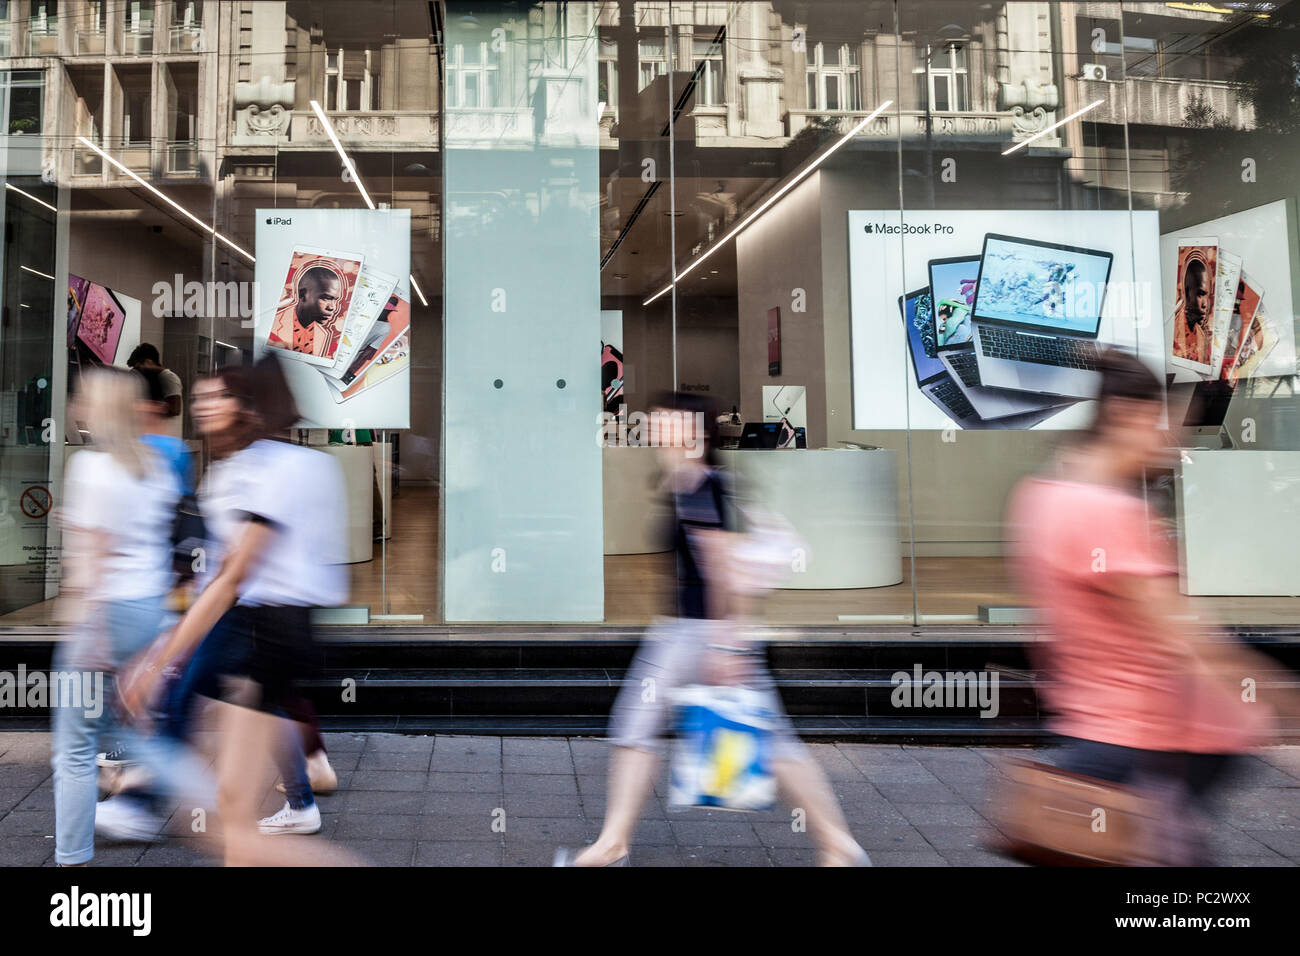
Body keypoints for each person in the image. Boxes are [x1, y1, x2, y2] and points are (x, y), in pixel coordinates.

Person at [556, 392, 870, 867]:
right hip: (690, 632)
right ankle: (838, 845)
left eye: (667, 423)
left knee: (642, 728)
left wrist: (729, 646)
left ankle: (613, 845)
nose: (657, 428)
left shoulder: (699, 485)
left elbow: (722, 567)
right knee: (761, 739)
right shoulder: (687, 481)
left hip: (700, 634)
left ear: (694, 433)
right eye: (658, 422)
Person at [1006, 348, 1275, 864]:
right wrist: (1269, 697)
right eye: (1163, 424)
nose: (1173, 443)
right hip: (1149, 742)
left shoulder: (1039, 495)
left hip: (1096, 729)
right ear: (1125, 416)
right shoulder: (1107, 511)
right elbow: (1181, 635)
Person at [118, 355, 351, 864]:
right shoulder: (282, 466)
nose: (202, 408)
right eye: (200, 397)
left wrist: (159, 661)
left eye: (217, 397)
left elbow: (230, 580)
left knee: (231, 822)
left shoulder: (269, 469)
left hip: (265, 635)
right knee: (230, 814)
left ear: (248, 406)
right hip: (272, 633)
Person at [50, 368, 182, 865]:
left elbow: (92, 564)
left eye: (83, 398)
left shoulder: (90, 468)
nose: (77, 406)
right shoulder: (156, 466)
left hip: (100, 620)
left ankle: (71, 859)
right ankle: (204, 785)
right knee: (134, 729)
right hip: (148, 615)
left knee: (77, 747)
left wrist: (85, 631)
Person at [269, 266, 341, 357]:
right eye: (326, 298)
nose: (332, 307)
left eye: (335, 300)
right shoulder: (272, 324)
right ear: (303, 294)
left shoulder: (322, 335)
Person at [127, 343, 184, 440]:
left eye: (138, 367)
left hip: (166, 440)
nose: (136, 371)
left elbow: (175, 409)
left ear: (148, 362)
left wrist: (141, 407)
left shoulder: (168, 378)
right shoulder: (153, 380)